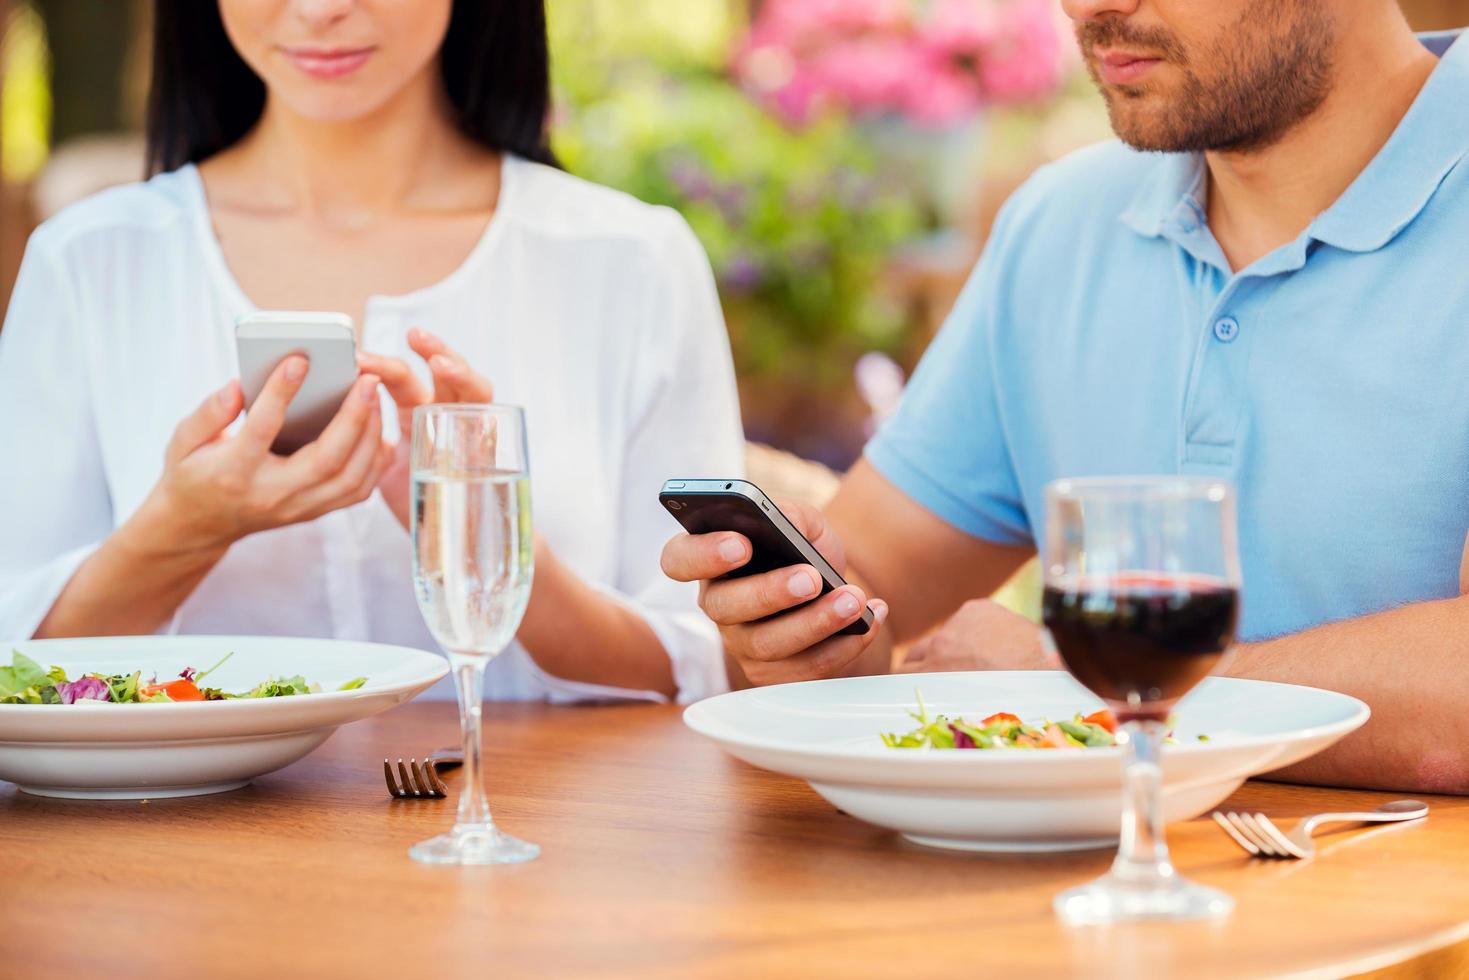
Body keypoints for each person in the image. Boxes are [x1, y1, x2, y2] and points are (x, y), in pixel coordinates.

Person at [662, 1, 1469, 792]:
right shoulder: (1065, 224)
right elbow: (870, 590)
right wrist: (802, 630)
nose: (1086, 7)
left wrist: (1080, 688)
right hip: (1092, 897)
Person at [0, 0, 744, 704]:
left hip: (536, 830)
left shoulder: (629, 260)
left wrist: (491, 549)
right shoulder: (90, 261)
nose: (320, 9)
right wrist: (179, 533)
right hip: (176, 832)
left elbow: (700, 663)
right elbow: (16, 669)